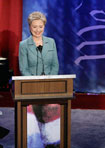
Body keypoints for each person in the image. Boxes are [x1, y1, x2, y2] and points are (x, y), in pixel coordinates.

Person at [18, 11, 60, 148]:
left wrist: (49, 80)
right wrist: (34, 82)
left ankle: (52, 142)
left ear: (44, 27)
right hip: (32, 87)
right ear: (29, 27)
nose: (37, 30)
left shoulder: (51, 42)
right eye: (34, 26)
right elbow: (23, 68)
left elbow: (55, 65)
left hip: (50, 85)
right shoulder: (23, 45)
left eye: (40, 26)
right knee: (36, 117)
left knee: (50, 116)